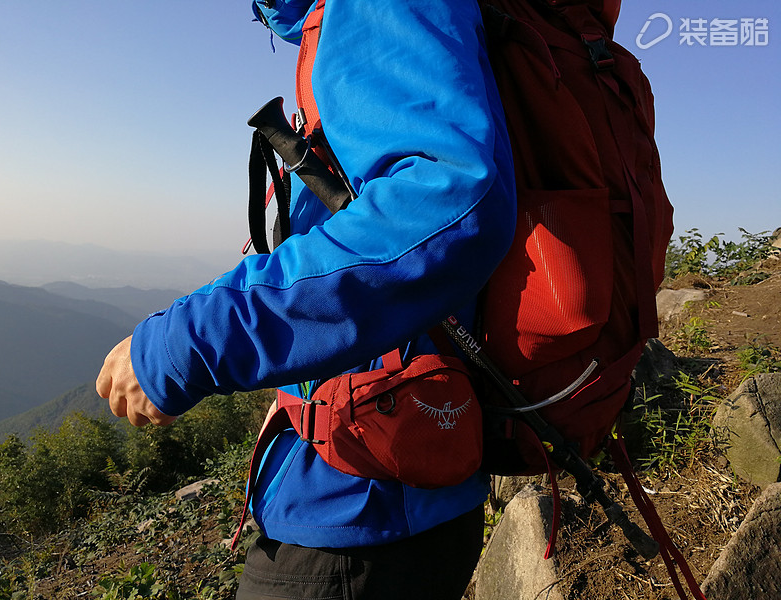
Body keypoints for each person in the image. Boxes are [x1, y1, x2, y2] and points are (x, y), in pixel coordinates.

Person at [96, 0, 516, 598]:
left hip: (362, 504)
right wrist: (300, 387)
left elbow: (446, 205)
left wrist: (188, 340)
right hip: (382, 465)